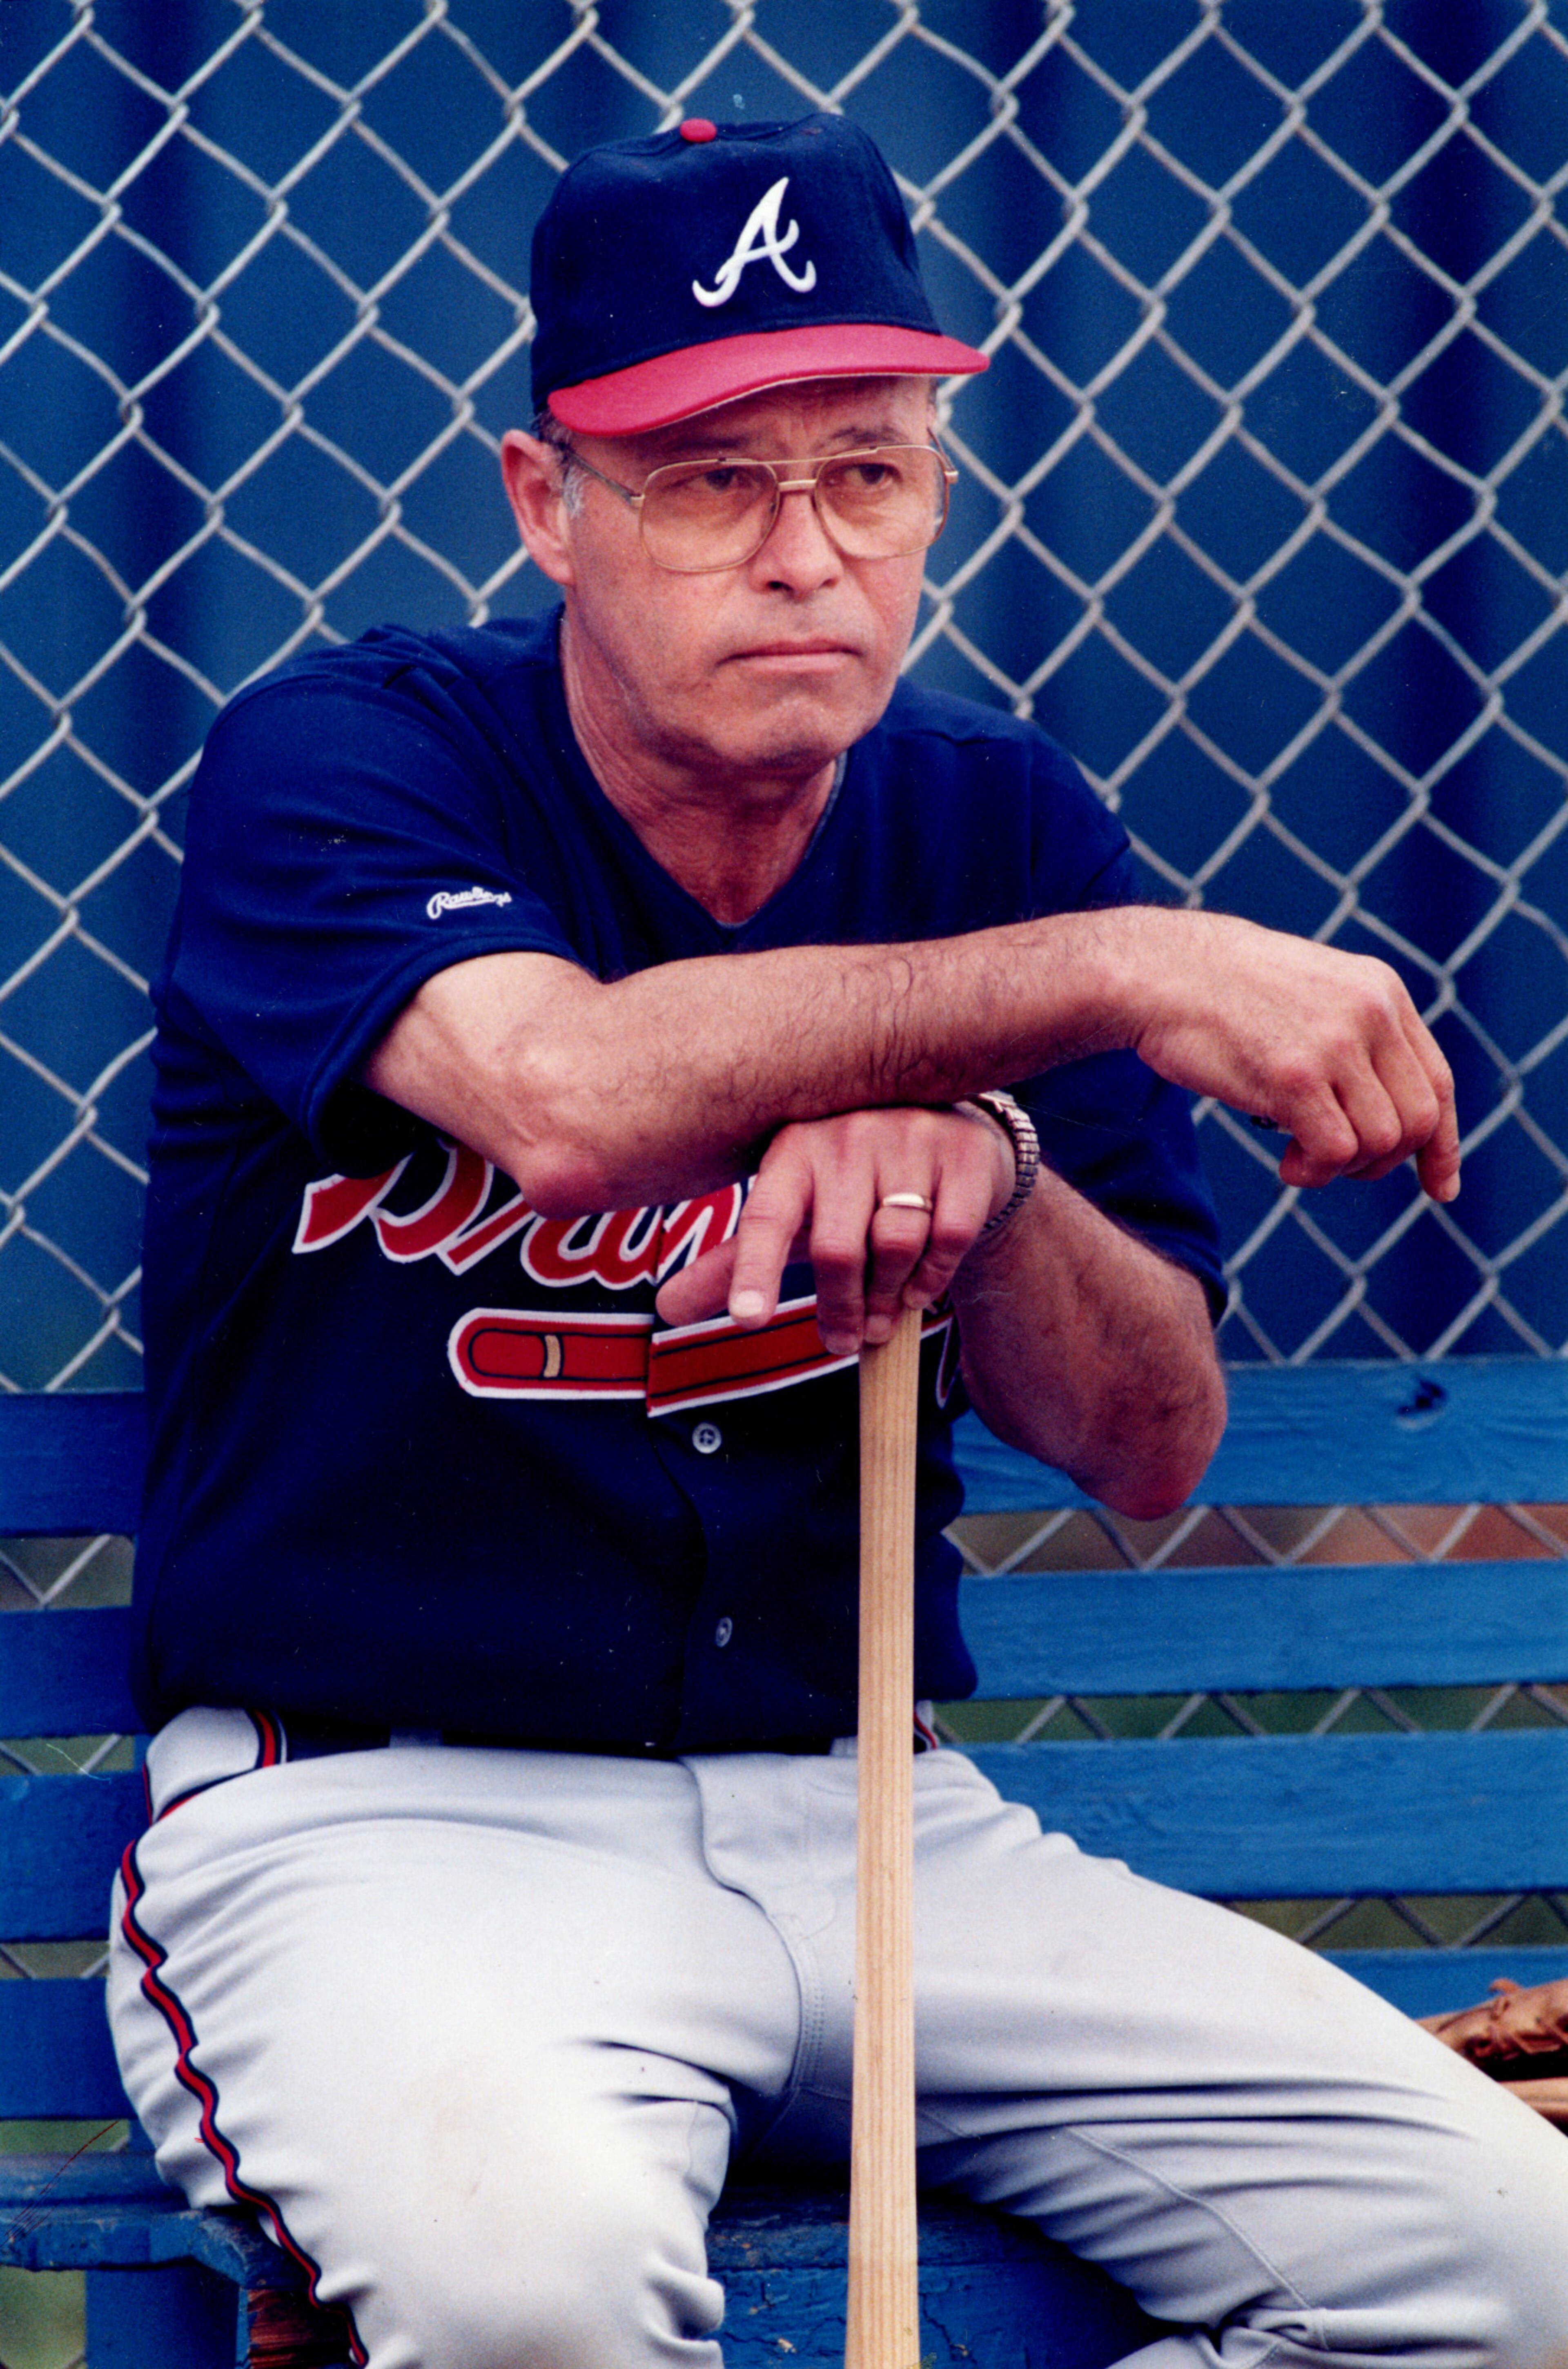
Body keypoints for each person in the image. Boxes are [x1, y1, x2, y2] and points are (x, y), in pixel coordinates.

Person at [108, 114, 1568, 2369]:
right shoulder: (344, 761)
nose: (804, 554)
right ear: (544, 503)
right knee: (532, 2295)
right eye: (711, 480)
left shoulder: (991, 824)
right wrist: (1098, 975)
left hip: (874, 1809)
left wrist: (995, 1183)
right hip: (383, 1821)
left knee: (1510, 2263)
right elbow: (564, 1096)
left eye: (867, 475)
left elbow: (1153, 1438)